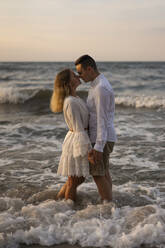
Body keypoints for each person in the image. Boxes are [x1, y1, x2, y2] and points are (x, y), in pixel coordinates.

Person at [75, 55, 117, 203]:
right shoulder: (96, 85)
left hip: (101, 138)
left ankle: (108, 207)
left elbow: (102, 119)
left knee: (98, 174)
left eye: (80, 72)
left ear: (90, 69)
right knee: (103, 172)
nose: (79, 76)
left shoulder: (100, 88)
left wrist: (98, 146)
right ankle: (110, 205)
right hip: (103, 137)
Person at [50, 69, 91, 202]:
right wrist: (88, 150)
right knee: (75, 179)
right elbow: (79, 128)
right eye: (74, 75)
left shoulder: (75, 98)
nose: (78, 75)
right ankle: (69, 209)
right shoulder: (70, 102)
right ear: (68, 83)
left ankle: (59, 201)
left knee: (74, 179)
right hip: (77, 140)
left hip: (79, 137)